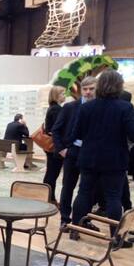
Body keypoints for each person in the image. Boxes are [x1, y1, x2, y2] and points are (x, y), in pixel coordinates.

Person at [70, 70, 134, 245]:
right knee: (114, 198)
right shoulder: (125, 107)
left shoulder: (86, 107)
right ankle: (115, 238)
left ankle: (75, 230)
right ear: (119, 86)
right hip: (115, 160)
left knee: (83, 193)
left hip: (89, 158)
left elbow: (76, 133)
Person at [52, 76, 96, 229]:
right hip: (72, 151)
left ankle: (84, 220)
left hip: (91, 153)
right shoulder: (70, 107)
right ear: (81, 90)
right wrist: (62, 149)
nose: (88, 92)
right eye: (85, 89)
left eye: (91, 89)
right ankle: (65, 219)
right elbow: (56, 130)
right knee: (68, 186)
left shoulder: (99, 108)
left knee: (88, 188)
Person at [42, 86, 66, 203]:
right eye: (62, 94)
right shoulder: (56, 109)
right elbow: (58, 128)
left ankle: (48, 197)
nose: (64, 96)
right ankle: (49, 198)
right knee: (52, 173)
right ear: (56, 95)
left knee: (51, 173)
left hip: (51, 146)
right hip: (55, 146)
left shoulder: (52, 108)